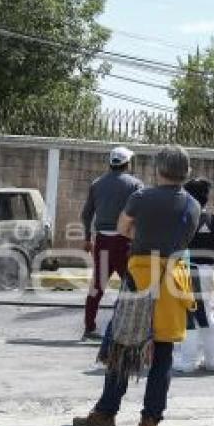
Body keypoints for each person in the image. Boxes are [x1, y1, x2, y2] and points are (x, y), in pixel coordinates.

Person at [73, 146, 200, 426]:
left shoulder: (141, 197)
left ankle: (106, 414)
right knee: (164, 353)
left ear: (159, 169)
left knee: (122, 346)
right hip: (173, 282)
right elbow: (186, 239)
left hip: (140, 278)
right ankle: (150, 421)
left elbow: (123, 228)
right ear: (186, 172)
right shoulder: (193, 205)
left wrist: (142, 236)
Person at [80, 146, 144, 341]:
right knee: (132, 286)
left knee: (97, 286)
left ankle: (89, 328)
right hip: (124, 242)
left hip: (102, 241)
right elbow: (140, 216)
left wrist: (87, 238)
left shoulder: (97, 184)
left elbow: (86, 215)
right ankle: (126, 328)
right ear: (127, 163)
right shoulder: (135, 185)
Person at [175, 177, 214, 372]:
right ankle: (210, 361)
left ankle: (187, 363)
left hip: (190, 269)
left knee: (190, 314)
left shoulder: (186, 219)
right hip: (207, 270)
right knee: (206, 312)